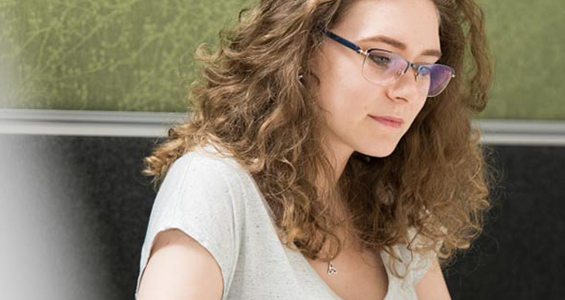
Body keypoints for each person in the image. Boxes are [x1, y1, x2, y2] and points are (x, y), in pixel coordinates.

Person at [135, 0, 494, 298]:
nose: (408, 91)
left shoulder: (395, 206)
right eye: (382, 58)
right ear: (302, 48)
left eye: (424, 68)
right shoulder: (212, 184)